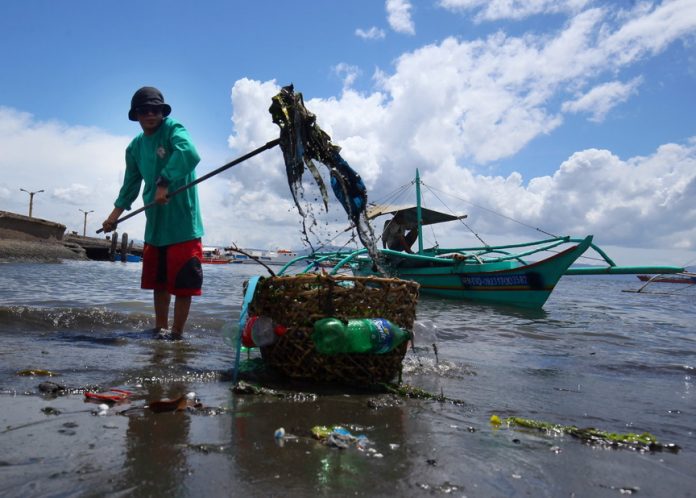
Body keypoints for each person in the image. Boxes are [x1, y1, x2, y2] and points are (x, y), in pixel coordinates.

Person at [102, 86, 204, 340]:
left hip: (183, 224)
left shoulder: (173, 129)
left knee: (183, 285)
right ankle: (160, 331)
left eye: (156, 109)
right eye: (144, 110)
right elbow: (130, 184)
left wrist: (164, 182)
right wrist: (114, 215)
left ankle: (177, 336)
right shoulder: (135, 147)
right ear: (135, 115)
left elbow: (190, 153)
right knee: (159, 284)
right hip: (155, 225)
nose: (150, 114)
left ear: (162, 112)